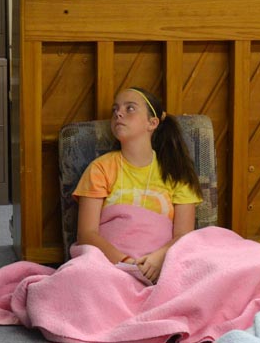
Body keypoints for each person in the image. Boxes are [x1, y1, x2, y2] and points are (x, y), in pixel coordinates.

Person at [73, 87, 203, 283]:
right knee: (77, 281)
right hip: (110, 265)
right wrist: (126, 263)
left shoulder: (177, 172)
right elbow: (86, 234)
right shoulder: (100, 169)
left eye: (130, 108)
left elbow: (184, 236)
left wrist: (158, 259)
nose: (118, 113)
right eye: (115, 109)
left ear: (152, 123)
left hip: (164, 263)